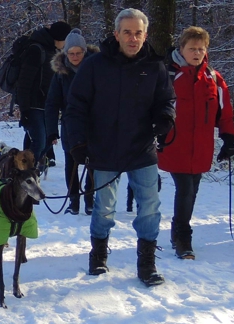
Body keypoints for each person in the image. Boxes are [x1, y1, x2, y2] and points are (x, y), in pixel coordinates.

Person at [63, 9, 176, 287]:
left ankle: (146, 262)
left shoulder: (155, 66)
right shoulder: (94, 66)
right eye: (127, 32)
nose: (133, 38)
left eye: (138, 33)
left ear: (145, 35)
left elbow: (166, 100)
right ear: (116, 34)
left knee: (150, 206)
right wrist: (77, 142)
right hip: (104, 148)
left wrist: (165, 118)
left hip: (142, 148)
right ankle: (98, 253)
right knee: (104, 208)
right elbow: (75, 106)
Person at [158, 26, 234, 259]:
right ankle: (183, 238)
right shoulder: (167, 75)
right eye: (191, 48)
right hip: (174, 144)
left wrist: (228, 139)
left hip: (201, 147)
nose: (196, 53)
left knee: (191, 191)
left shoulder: (213, 78)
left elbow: (225, 112)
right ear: (181, 49)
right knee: (185, 190)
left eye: (201, 49)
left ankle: (177, 231)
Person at [45, 28, 98, 215]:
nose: (75, 57)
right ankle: (73, 201)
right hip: (70, 124)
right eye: (71, 53)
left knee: (93, 163)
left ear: (85, 51)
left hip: (93, 124)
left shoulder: (95, 69)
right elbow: (52, 103)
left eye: (79, 53)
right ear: (65, 53)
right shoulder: (61, 74)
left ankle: (90, 199)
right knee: (71, 162)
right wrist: (51, 131)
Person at [16, 21, 71, 171]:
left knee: (46, 141)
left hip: (47, 106)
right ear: (59, 38)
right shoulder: (36, 50)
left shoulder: (52, 51)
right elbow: (24, 82)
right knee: (39, 142)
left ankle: (29, 171)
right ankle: (24, 172)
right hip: (33, 104)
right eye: (65, 39)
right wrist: (24, 109)